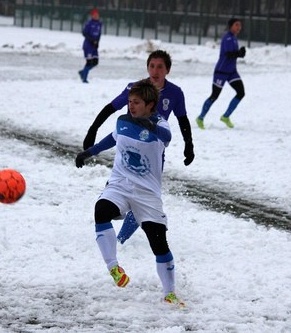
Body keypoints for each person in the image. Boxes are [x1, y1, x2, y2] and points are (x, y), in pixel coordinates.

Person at [75, 80, 185, 307]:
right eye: (129, 102)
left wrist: (147, 125)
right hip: (121, 185)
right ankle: (113, 267)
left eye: (136, 103)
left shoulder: (160, 124)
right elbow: (113, 137)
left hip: (147, 192)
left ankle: (170, 292)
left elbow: (167, 137)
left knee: (159, 243)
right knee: (102, 210)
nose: (131, 106)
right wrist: (89, 152)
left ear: (150, 105)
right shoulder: (123, 120)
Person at [83, 50, 194, 245]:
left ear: (167, 70)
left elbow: (183, 120)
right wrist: (93, 129)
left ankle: (120, 241)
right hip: (127, 148)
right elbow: (111, 108)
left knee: (143, 195)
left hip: (153, 154)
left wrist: (189, 145)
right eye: (152, 66)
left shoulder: (175, 93)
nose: (155, 70)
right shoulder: (134, 89)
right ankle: (114, 221)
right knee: (117, 190)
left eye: (160, 66)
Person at [196, 18, 246, 129]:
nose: (239, 27)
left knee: (241, 92)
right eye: (237, 25)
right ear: (231, 26)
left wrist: (239, 54)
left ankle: (225, 116)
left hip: (232, 72)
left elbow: (233, 54)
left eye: (240, 25)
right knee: (214, 96)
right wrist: (239, 53)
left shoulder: (234, 38)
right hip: (221, 72)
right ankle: (200, 118)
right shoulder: (227, 38)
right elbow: (228, 54)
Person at [78, 8, 101, 83]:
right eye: (94, 15)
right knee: (89, 62)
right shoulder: (89, 23)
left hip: (94, 46)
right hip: (88, 46)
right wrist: (92, 40)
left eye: (97, 15)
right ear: (92, 16)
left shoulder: (99, 23)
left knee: (95, 62)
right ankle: (84, 79)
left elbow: (99, 34)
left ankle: (82, 72)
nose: (96, 16)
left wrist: (97, 42)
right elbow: (84, 33)